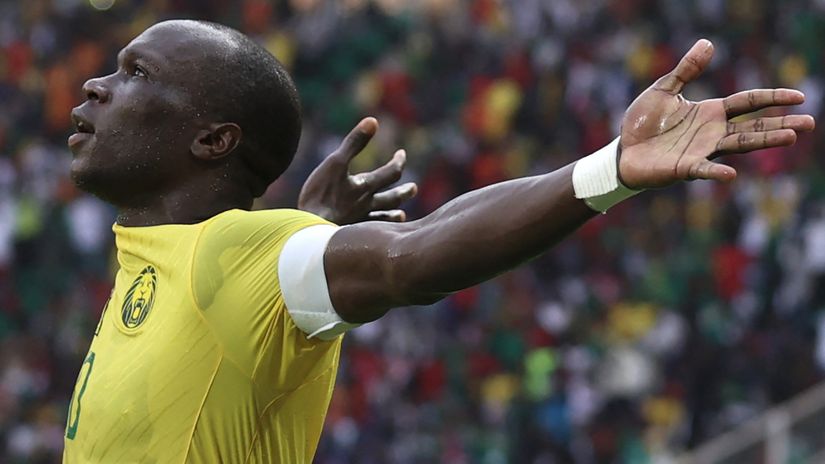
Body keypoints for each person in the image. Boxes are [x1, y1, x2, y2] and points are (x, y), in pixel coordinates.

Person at [61, 19, 814, 463]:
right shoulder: (161, 267)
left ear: (213, 139)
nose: (97, 85)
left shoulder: (231, 260)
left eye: (135, 73)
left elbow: (407, 258)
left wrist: (606, 171)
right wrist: (320, 231)